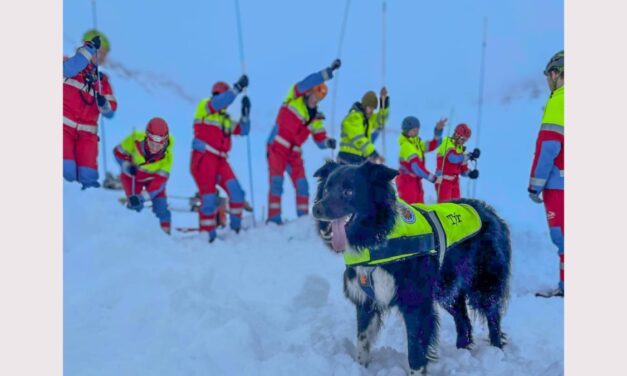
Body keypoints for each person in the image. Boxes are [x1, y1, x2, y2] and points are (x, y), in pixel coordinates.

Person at [266, 60, 340, 224]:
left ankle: (302, 222)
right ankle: (273, 220)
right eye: (315, 95)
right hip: (277, 146)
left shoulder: (315, 118)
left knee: (302, 186)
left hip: (294, 153)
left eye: (320, 98)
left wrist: (328, 143)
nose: (316, 100)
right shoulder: (294, 96)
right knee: (276, 183)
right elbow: (310, 81)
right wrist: (327, 72)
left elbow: (320, 140)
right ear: (308, 93)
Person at [190, 75, 250, 243]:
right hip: (204, 158)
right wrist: (237, 88)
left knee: (237, 193)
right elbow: (220, 102)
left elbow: (243, 130)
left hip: (221, 161)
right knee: (208, 198)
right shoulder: (205, 106)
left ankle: (236, 230)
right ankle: (207, 236)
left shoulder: (225, 120)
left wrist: (246, 114)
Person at [528, 50, 564, 298]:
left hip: (559, 184)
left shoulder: (560, 99)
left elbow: (549, 146)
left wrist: (534, 185)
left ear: (556, 73)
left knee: (562, 235)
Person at [63, 30, 117, 189]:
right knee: (66, 172)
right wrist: (89, 49)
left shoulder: (103, 81)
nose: (101, 56)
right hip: (63, 128)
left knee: (89, 177)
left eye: (103, 53)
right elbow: (69, 69)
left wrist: (103, 104)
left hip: (87, 136)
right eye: (99, 51)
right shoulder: (68, 64)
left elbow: (110, 112)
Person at [113, 117, 173, 234]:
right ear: (146, 137)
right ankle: (130, 234)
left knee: (161, 208)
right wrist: (126, 166)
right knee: (134, 206)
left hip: (153, 181)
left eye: (159, 144)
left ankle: (165, 236)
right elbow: (117, 153)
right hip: (133, 177)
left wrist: (142, 197)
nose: (155, 148)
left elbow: (158, 184)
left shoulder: (168, 157)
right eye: (152, 143)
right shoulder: (135, 139)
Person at [396, 116, 446, 204]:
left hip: (415, 182)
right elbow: (417, 169)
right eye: (414, 130)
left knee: (419, 209)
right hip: (407, 183)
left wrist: (438, 130)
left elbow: (433, 144)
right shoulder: (406, 146)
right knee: (410, 211)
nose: (416, 132)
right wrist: (434, 178)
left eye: (417, 129)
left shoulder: (416, 144)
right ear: (407, 130)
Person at [337, 88, 389, 165]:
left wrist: (383, 103)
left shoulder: (367, 119)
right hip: (348, 157)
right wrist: (374, 154)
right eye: (370, 108)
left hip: (359, 158)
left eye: (373, 109)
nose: (371, 111)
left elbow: (380, 121)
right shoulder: (354, 118)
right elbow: (359, 139)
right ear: (364, 105)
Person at [435, 123, 480, 202]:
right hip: (443, 181)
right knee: (446, 207)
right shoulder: (447, 142)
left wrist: (470, 173)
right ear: (456, 135)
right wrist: (468, 156)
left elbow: (463, 170)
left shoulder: (460, 148)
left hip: (454, 182)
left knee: (456, 206)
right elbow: (452, 158)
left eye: (465, 140)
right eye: (463, 139)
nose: (463, 142)